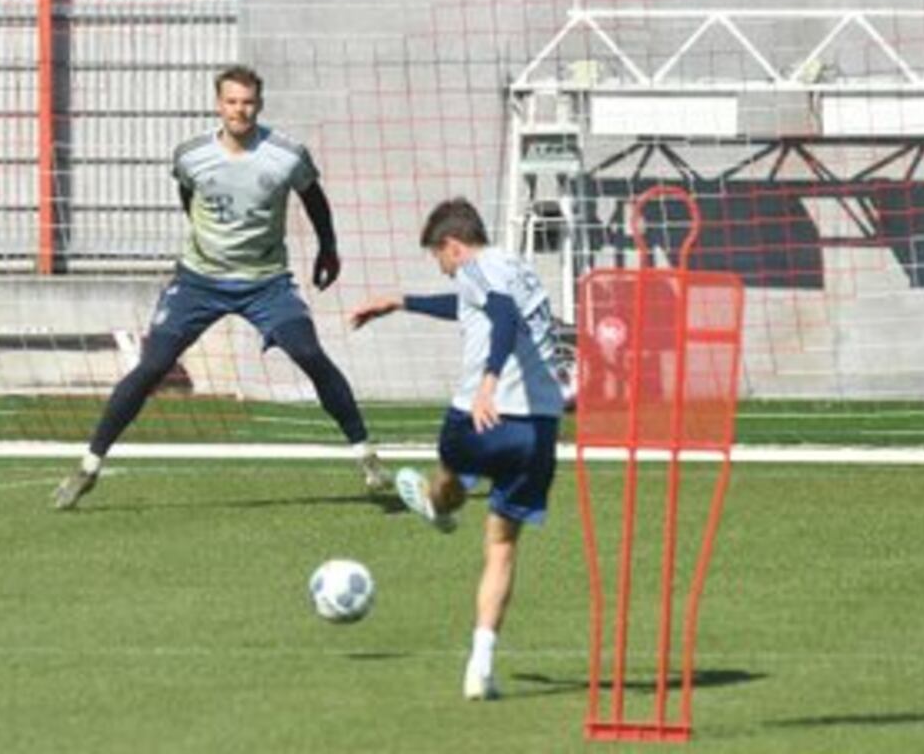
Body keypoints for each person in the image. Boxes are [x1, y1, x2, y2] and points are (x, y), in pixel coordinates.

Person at [54, 64, 389, 509]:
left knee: (309, 354)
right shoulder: (190, 155)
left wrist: (328, 247)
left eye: (247, 102)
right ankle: (88, 467)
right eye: (231, 102)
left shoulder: (286, 155)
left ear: (259, 104)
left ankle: (367, 459)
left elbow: (314, 198)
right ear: (219, 105)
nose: (240, 110)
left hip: (265, 282)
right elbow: (189, 198)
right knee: (152, 366)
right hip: (199, 281)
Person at [350, 197, 564, 701]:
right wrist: (401, 301)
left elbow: (503, 316)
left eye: (439, 259)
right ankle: (481, 664)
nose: (444, 271)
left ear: (453, 246)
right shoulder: (516, 267)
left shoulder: (472, 266)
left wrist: (490, 381)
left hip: (485, 415)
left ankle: (439, 502)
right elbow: (476, 307)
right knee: (502, 546)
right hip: (542, 428)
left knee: (449, 465)